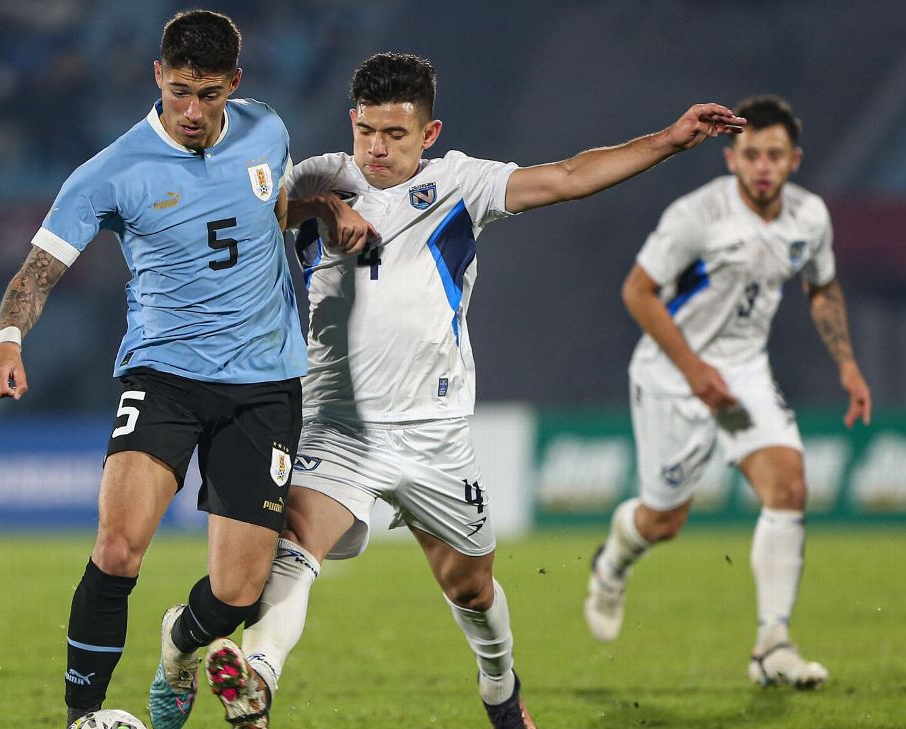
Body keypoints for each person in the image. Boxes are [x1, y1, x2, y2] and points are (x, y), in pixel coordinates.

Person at [207, 52, 745, 729]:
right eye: (367, 131)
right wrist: (314, 206)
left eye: (395, 135)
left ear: (428, 135)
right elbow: (229, 206)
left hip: (434, 434)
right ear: (352, 121)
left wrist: (667, 142)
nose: (377, 148)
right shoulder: (317, 176)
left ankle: (499, 686)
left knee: (471, 585)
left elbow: (571, 176)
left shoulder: (462, 183)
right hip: (336, 425)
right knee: (297, 537)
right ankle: (256, 678)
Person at [0, 10, 306, 729]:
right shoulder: (112, 172)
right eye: (180, 89)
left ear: (235, 86)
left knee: (239, 592)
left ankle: (181, 645)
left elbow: (270, 208)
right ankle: (83, 716)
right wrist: (8, 338)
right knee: (118, 545)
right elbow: (37, 271)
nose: (192, 110)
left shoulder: (268, 130)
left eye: (209, 93)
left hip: (266, 384)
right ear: (158, 75)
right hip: (165, 378)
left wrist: (317, 212)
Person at [583, 94, 872, 689]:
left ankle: (772, 644)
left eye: (774, 154)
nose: (762, 165)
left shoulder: (810, 216)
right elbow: (638, 292)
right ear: (730, 159)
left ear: (794, 159)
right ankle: (612, 564)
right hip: (671, 376)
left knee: (788, 486)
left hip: (743, 373)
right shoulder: (697, 216)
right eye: (751, 154)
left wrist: (847, 364)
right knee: (663, 521)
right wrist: (692, 371)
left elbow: (822, 287)